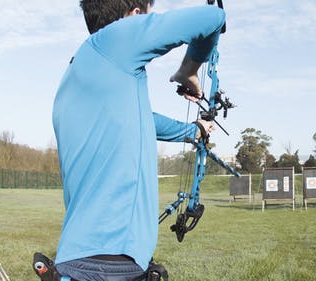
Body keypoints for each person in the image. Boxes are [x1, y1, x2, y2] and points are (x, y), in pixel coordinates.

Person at [50, 0, 224, 280]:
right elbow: (212, 17)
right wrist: (189, 70)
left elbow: (142, 120)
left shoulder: (80, 70)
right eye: (147, 15)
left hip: (75, 259)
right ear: (133, 17)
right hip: (113, 259)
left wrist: (195, 130)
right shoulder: (116, 39)